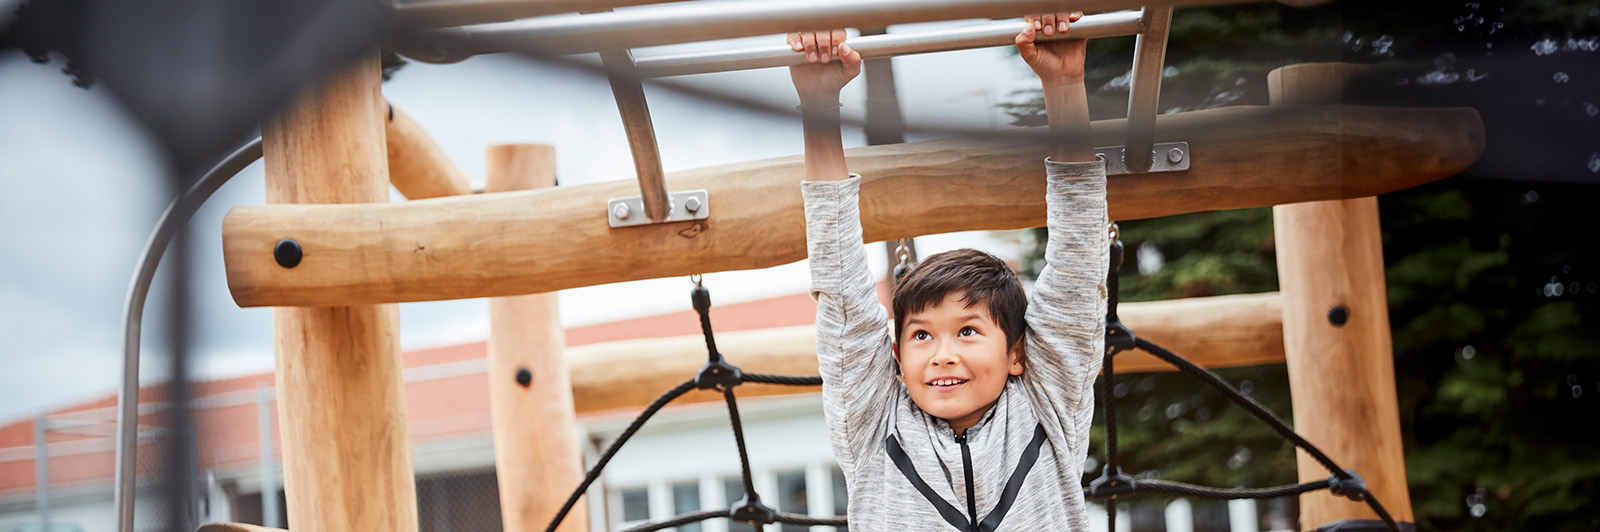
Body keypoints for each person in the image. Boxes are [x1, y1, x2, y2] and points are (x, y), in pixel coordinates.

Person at [792, 12, 1109, 531]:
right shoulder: (873, 423)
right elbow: (841, 282)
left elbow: (1079, 260)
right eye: (921, 335)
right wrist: (819, 105)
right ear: (894, 358)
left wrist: (1065, 82)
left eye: (967, 331)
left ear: (1016, 354)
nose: (943, 355)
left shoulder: (1047, 404)